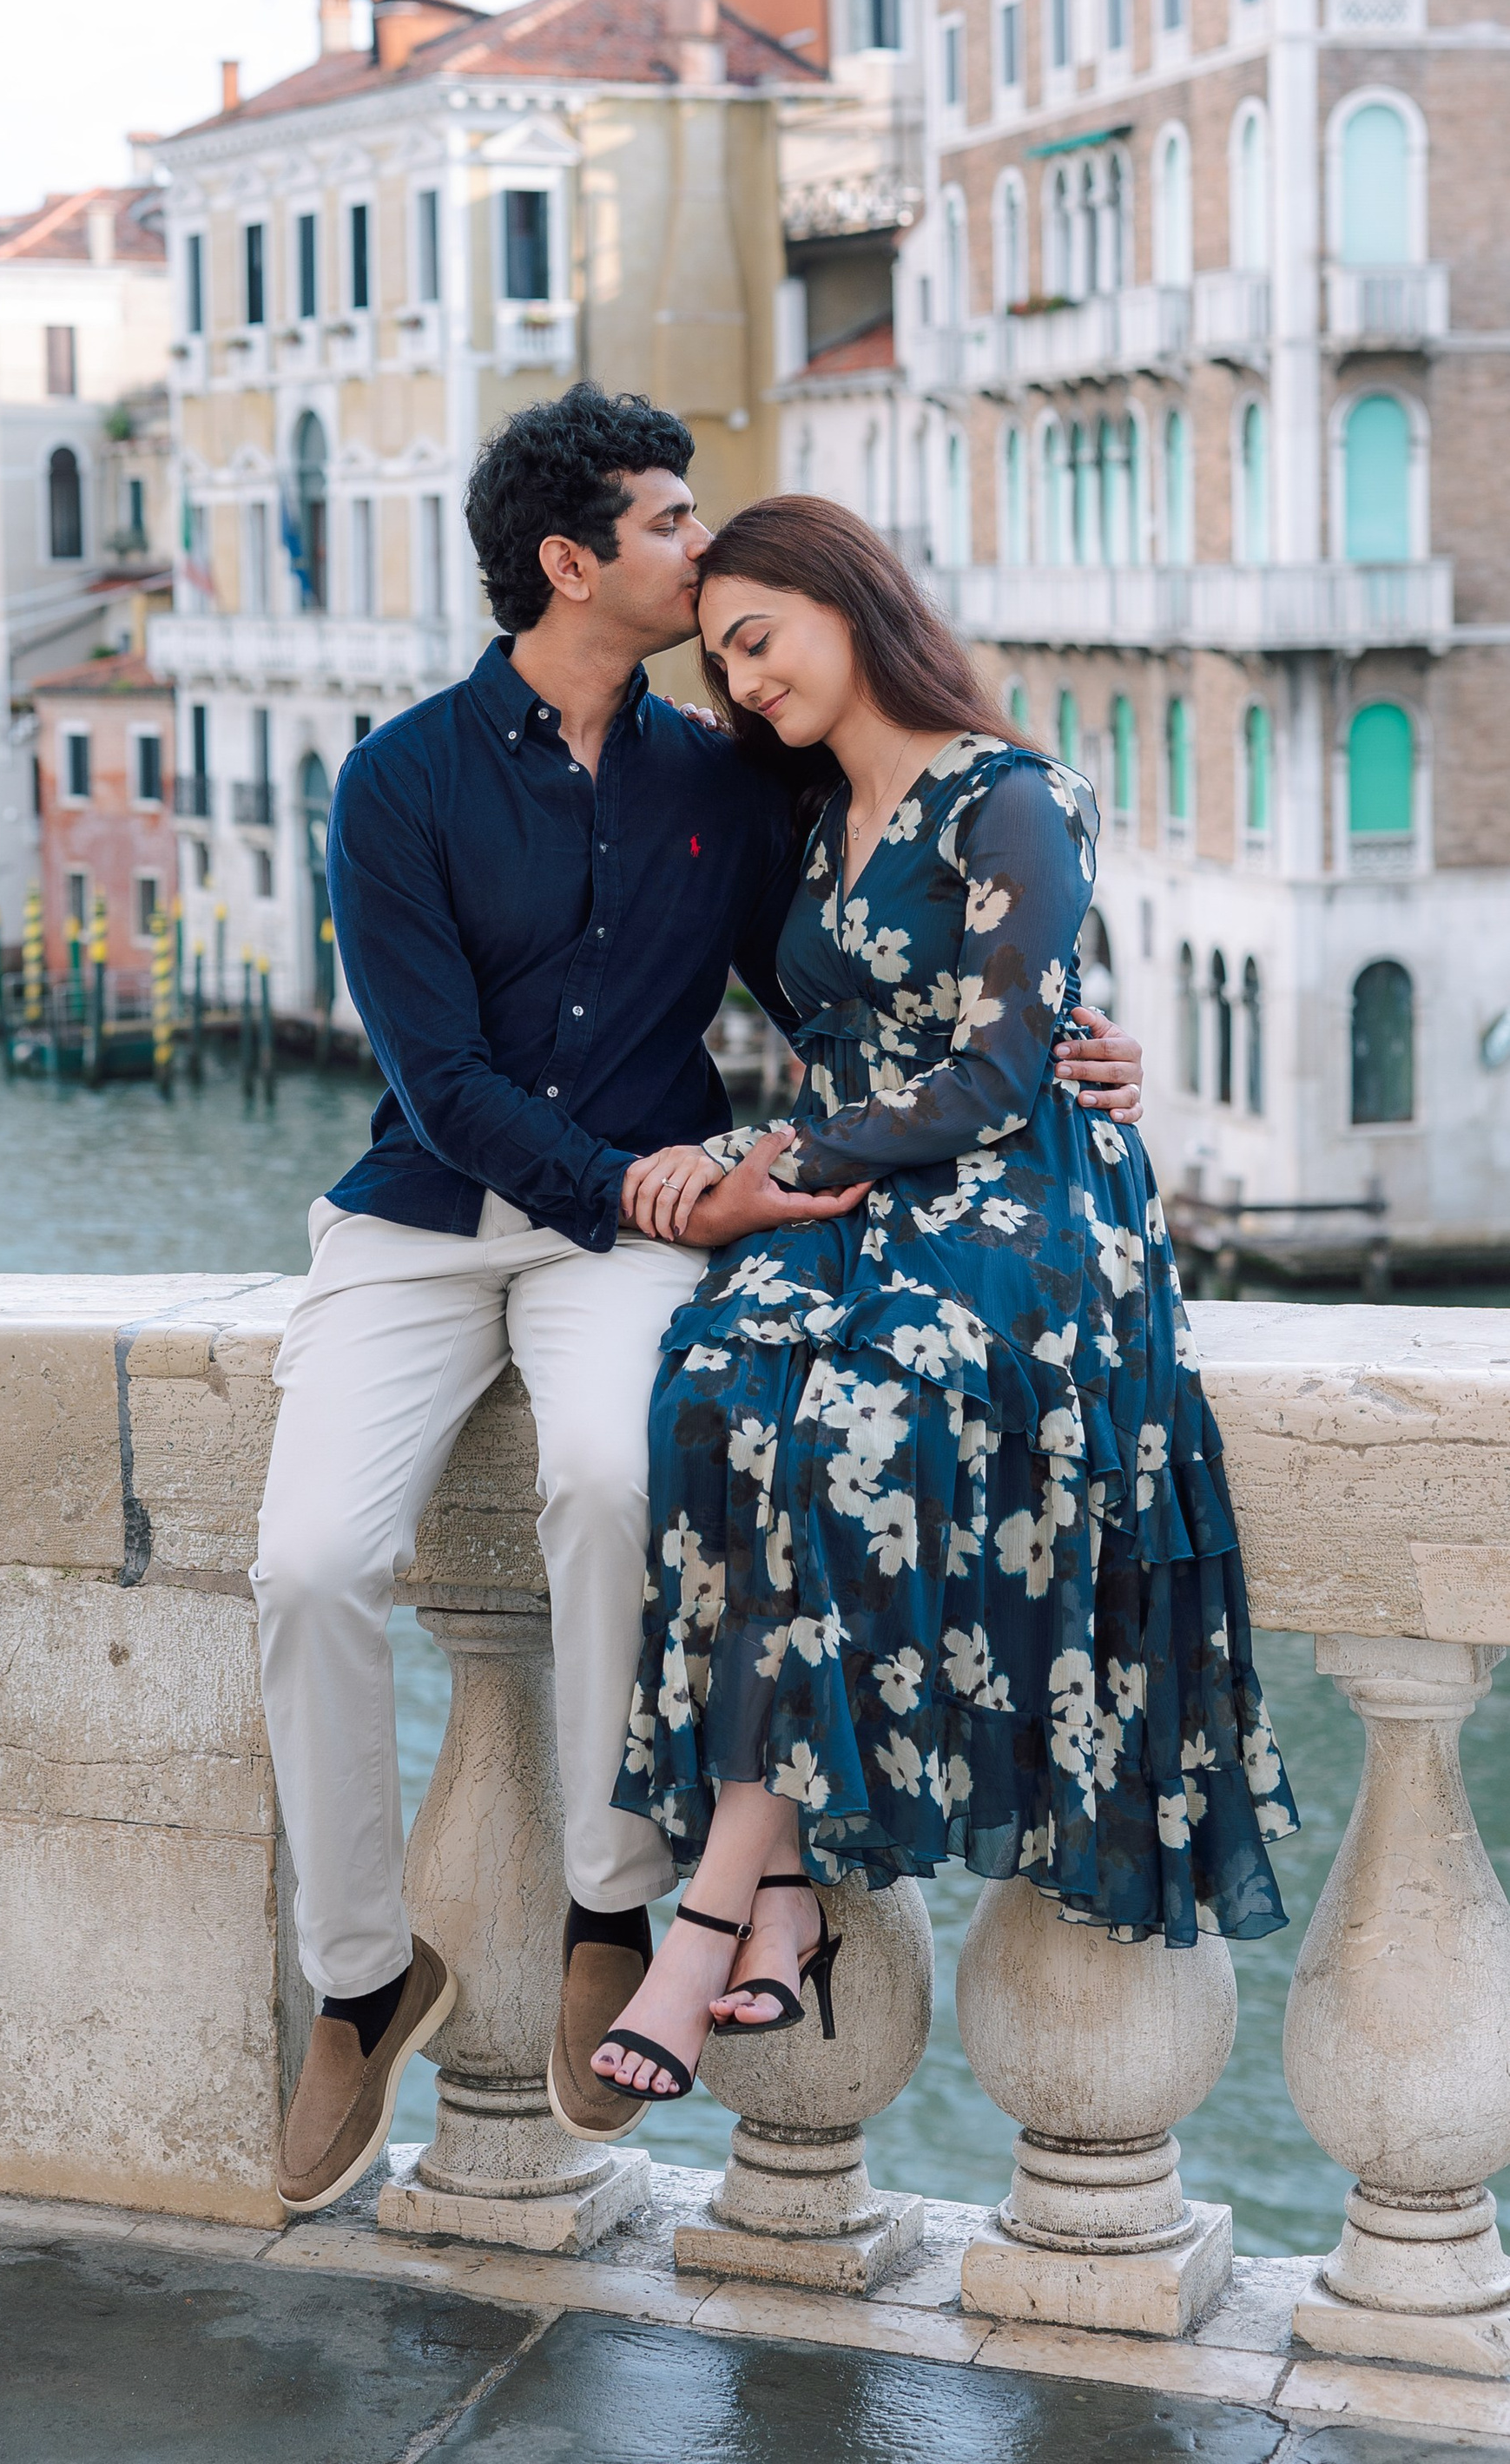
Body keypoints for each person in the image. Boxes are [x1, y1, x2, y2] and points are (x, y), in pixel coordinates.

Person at [253, 385, 1144, 2212]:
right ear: (572, 562)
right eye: (667, 523)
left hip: (646, 1228)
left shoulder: (725, 780)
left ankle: (608, 1895)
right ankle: (358, 1975)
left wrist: (1052, 1048)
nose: (697, 546)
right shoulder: (396, 778)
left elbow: (847, 982)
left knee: (605, 1471)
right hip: (430, 1213)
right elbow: (433, 1080)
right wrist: (665, 1187)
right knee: (308, 1564)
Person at [590, 494, 1295, 2107]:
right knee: (710, 1400)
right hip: (861, 1196)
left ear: (850, 601)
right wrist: (789, 1157)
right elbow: (859, 1017)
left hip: (1017, 1201)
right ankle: (778, 1898)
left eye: (761, 640)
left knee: (848, 1429)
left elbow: (991, 1068)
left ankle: (708, 1910)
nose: (748, 682)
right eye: (724, 663)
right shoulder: (813, 822)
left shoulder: (1016, 796)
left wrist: (774, 1155)